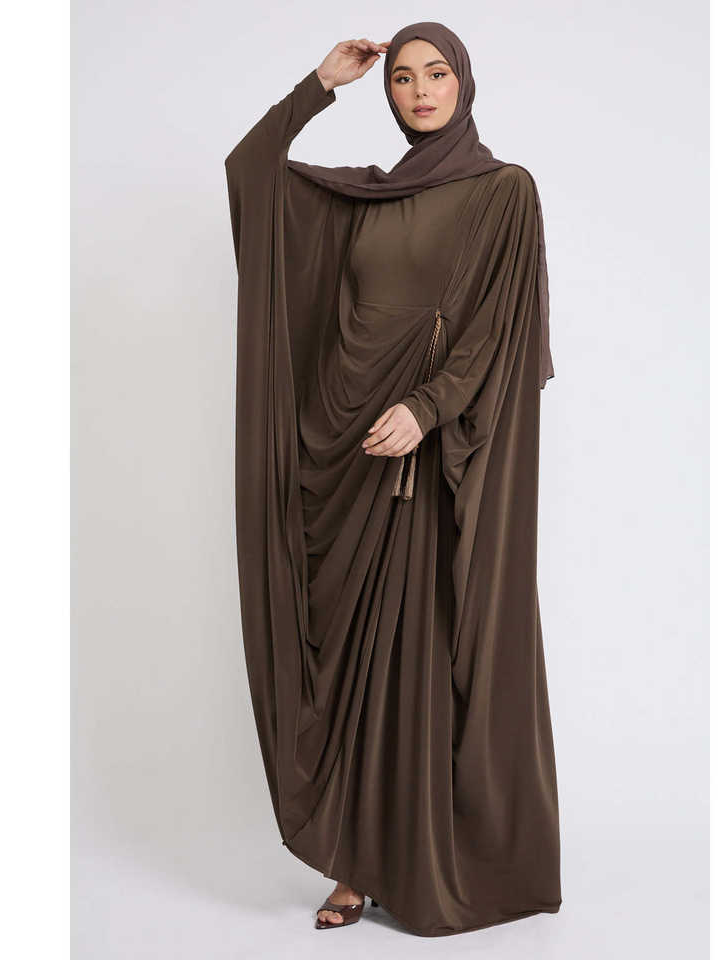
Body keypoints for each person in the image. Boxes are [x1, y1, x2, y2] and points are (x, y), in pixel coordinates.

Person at [223, 21, 562, 937]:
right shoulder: (364, 199)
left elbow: (497, 329)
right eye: (403, 78)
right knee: (344, 668)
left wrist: (427, 406)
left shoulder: (505, 191)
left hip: (428, 451)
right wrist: (318, 85)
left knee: (419, 660)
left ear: (464, 82)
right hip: (342, 445)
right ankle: (350, 863)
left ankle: (412, 864)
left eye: (436, 73)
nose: (420, 90)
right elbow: (251, 175)